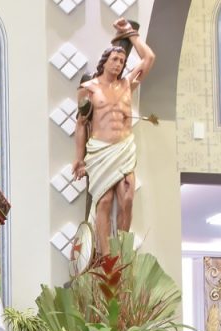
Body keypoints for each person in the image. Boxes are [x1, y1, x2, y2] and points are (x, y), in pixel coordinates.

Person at [72, 18, 155, 256]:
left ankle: (122, 254)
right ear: (105, 61)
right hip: (99, 150)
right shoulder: (89, 88)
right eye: (115, 60)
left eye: (122, 61)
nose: (119, 64)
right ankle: (105, 257)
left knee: (127, 198)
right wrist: (78, 158)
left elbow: (149, 58)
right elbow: (80, 123)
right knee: (104, 201)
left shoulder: (127, 84)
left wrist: (131, 34)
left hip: (124, 147)